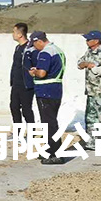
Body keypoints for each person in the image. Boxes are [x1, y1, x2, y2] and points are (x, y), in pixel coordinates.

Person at [28, 31, 66, 165]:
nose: (34, 47)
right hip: (55, 90)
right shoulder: (57, 50)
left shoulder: (45, 53)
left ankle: (55, 154)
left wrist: (34, 72)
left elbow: (42, 73)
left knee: (49, 123)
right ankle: (50, 149)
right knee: (51, 121)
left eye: (34, 44)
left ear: (39, 41)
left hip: (45, 91)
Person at [9, 23, 35, 124]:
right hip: (16, 83)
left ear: (20, 34)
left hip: (26, 84)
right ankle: (17, 131)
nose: (12, 34)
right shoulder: (17, 48)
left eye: (14, 32)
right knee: (14, 107)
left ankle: (32, 131)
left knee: (26, 110)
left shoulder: (30, 48)